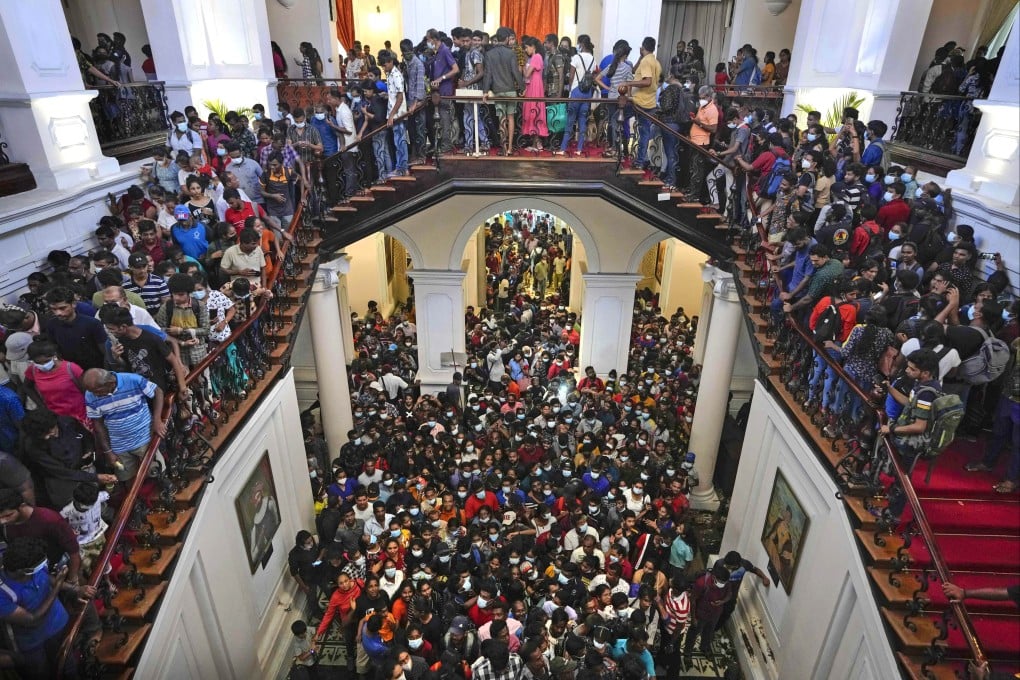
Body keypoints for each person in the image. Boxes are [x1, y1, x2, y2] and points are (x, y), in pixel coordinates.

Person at [83, 368, 166, 482]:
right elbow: (98, 425)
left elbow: (158, 392)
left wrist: (157, 420)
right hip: (119, 445)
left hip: (144, 437)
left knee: (155, 472)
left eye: (97, 391)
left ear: (110, 384)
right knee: (126, 478)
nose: (94, 394)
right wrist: (108, 451)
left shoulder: (132, 380)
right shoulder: (90, 394)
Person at [520, 38, 548, 153]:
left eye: (527, 47)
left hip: (534, 87)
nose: (526, 50)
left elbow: (527, 74)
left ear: (533, 46)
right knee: (533, 111)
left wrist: (521, 65)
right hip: (534, 85)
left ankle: (537, 143)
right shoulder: (536, 57)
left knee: (534, 111)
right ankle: (535, 143)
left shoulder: (536, 57)